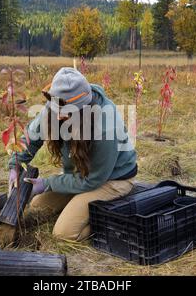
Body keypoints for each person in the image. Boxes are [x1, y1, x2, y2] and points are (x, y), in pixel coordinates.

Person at [8, 67, 137, 242]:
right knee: (38, 206)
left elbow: (94, 179)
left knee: (64, 234)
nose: (59, 116)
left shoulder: (106, 125)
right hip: (81, 175)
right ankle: (79, 205)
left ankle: (110, 220)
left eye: (67, 111)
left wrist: (47, 183)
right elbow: (30, 138)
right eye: (56, 109)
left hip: (112, 179)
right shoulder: (56, 105)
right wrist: (14, 166)